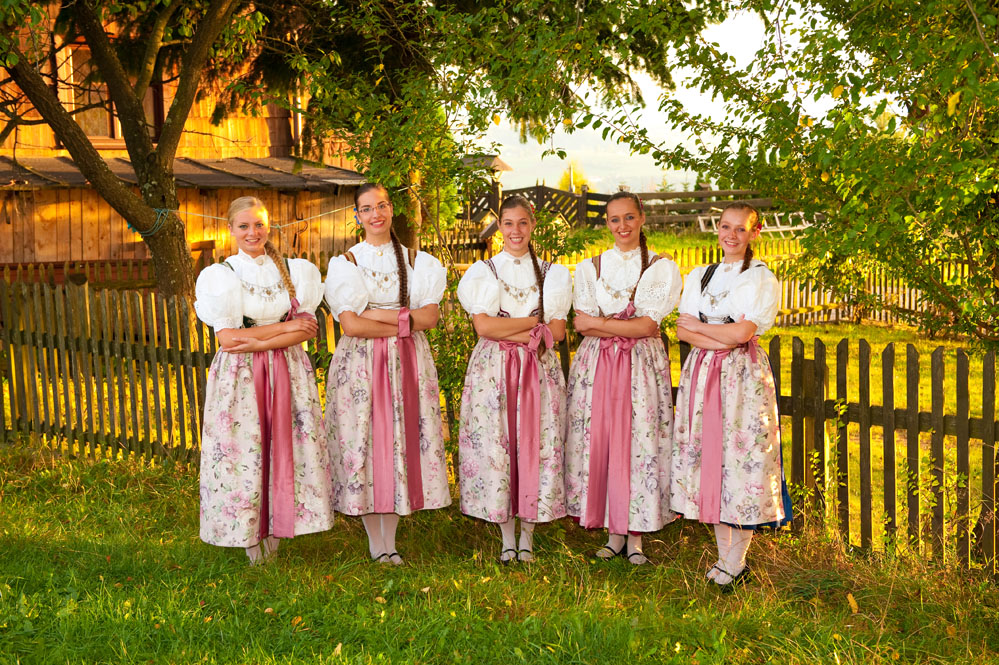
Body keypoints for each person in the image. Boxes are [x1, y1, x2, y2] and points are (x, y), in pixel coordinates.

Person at [193, 196, 334, 564]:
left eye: (258, 224)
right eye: (244, 226)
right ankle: (250, 542)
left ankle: (278, 533)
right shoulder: (222, 275)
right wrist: (284, 329)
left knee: (284, 448)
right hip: (240, 378)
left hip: (287, 370)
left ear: (269, 226)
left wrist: (256, 340)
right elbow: (228, 339)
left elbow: (306, 330)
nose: (252, 232)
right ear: (230, 229)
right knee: (247, 452)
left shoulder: (294, 271)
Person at [323, 183, 450, 565]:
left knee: (398, 444)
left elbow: (431, 317)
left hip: (407, 363)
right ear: (357, 216)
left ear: (392, 209)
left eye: (381, 206)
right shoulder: (347, 263)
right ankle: (374, 541)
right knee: (363, 442)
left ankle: (390, 542)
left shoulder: (417, 261)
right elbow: (351, 325)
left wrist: (376, 313)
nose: (375, 214)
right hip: (360, 366)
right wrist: (404, 320)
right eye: (366, 208)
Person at [671, 202, 791, 589]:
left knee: (741, 463)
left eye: (741, 229)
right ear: (717, 229)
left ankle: (735, 562)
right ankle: (727, 560)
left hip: (742, 378)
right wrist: (721, 335)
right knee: (711, 459)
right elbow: (682, 331)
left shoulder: (760, 278)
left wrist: (705, 330)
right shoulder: (700, 275)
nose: (732, 235)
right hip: (702, 374)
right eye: (726, 227)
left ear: (755, 233)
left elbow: (743, 335)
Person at [565, 191, 682, 565]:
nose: (622, 226)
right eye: (614, 219)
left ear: (642, 218)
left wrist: (601, 323)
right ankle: (613, 532)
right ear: (607, 224)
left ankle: (636, 537)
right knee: (603, 442)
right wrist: (618, 326)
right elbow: (581, 325)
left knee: (638, 442)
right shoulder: (590, 267)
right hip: (597, 366)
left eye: (629, 217)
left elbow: (647, 326)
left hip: (640, 368)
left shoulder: (660, 268)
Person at [456, 195, 572, 563]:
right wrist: (533, 324)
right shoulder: (484, 271)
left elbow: (558, 332)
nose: (515, 230)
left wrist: (509, 327)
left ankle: (529, 536)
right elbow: (484, 327)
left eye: (523, 222)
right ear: (499, 227)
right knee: (499, 446)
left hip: (537, 370)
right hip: (494, 371)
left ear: (533, 225)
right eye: (508, 223)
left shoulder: (553, 273)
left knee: (536, 444)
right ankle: (507, 536)